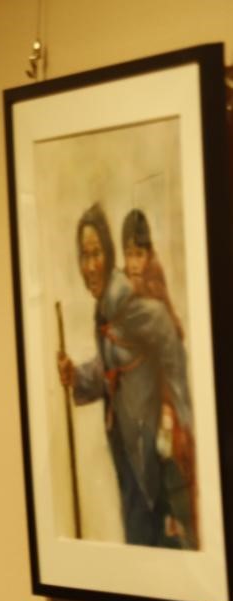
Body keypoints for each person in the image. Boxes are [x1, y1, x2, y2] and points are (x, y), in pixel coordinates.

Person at [57, 203, 194, 548]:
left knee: (158, 546)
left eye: (96, 253)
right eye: (84, 256)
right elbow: (112, 366)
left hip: (148, 460)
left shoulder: (124, 302)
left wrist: (182, 412)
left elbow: (166, 330)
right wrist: (77, 375)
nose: (90, 265)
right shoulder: (105, 308)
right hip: (128, 454)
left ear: (108, 253)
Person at [120, 208, 196, 547]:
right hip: (138, 419)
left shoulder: (154, 292)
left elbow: (171, 357)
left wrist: (168, 411)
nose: (134, 262)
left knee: (173, 503)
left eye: (139, 253)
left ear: (148, 254)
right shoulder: (123, 298)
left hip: (165, 418)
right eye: (128, 253)